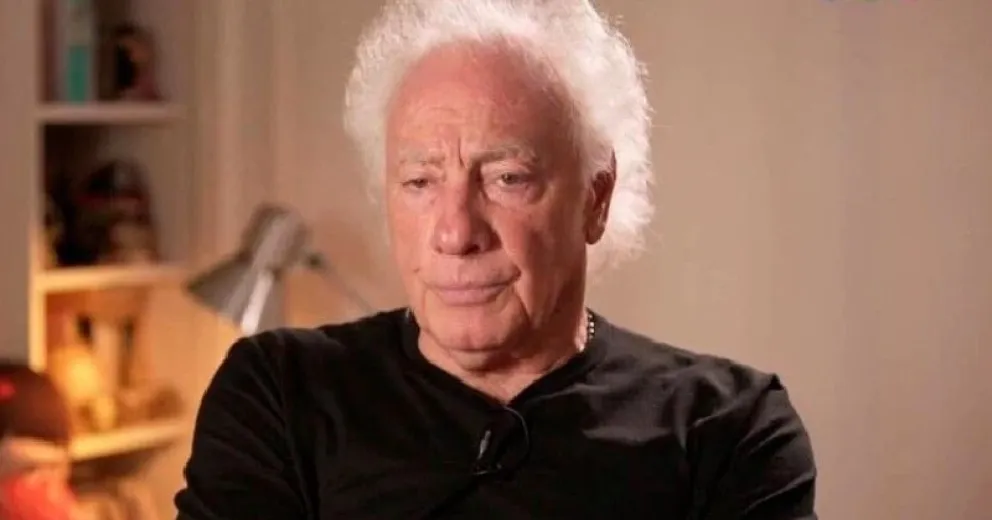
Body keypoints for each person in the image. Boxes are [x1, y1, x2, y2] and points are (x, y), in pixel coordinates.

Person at [174, 1, 817, 518]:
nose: (456, 232)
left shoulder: (727, 429)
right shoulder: (280, 394)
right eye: (420, 182)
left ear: (595, 198)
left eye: (507, 178)